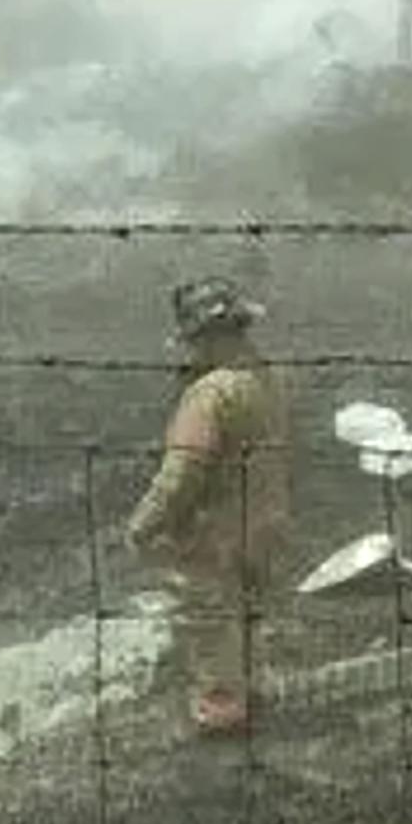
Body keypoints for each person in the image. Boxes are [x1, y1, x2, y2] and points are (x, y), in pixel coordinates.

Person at [124, 277, 292, 736]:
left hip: (214, 534)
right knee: (248, 615)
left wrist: (144, 523)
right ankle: (252, 693)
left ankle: (221, 719)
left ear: (208, 337)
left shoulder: (210, 394)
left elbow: (183, 473)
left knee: (208, 623)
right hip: (264, 520)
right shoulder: (267, 377)